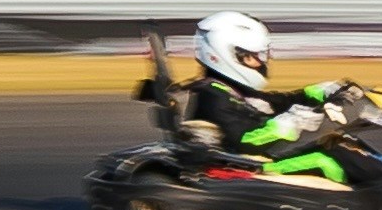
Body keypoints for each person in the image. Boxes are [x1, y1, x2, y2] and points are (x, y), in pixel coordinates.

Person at [134, 12, 364, 184]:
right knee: (331, 161)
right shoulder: (212, 95)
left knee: (342, 146)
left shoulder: (226, 88)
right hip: (241, 171)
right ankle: (377, 204)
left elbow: (272, 103)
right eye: (253, 57)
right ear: (228, 55)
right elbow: (246, 141)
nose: (261, 63)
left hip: (249, 164)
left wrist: (322, 92)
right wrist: (294, 121)